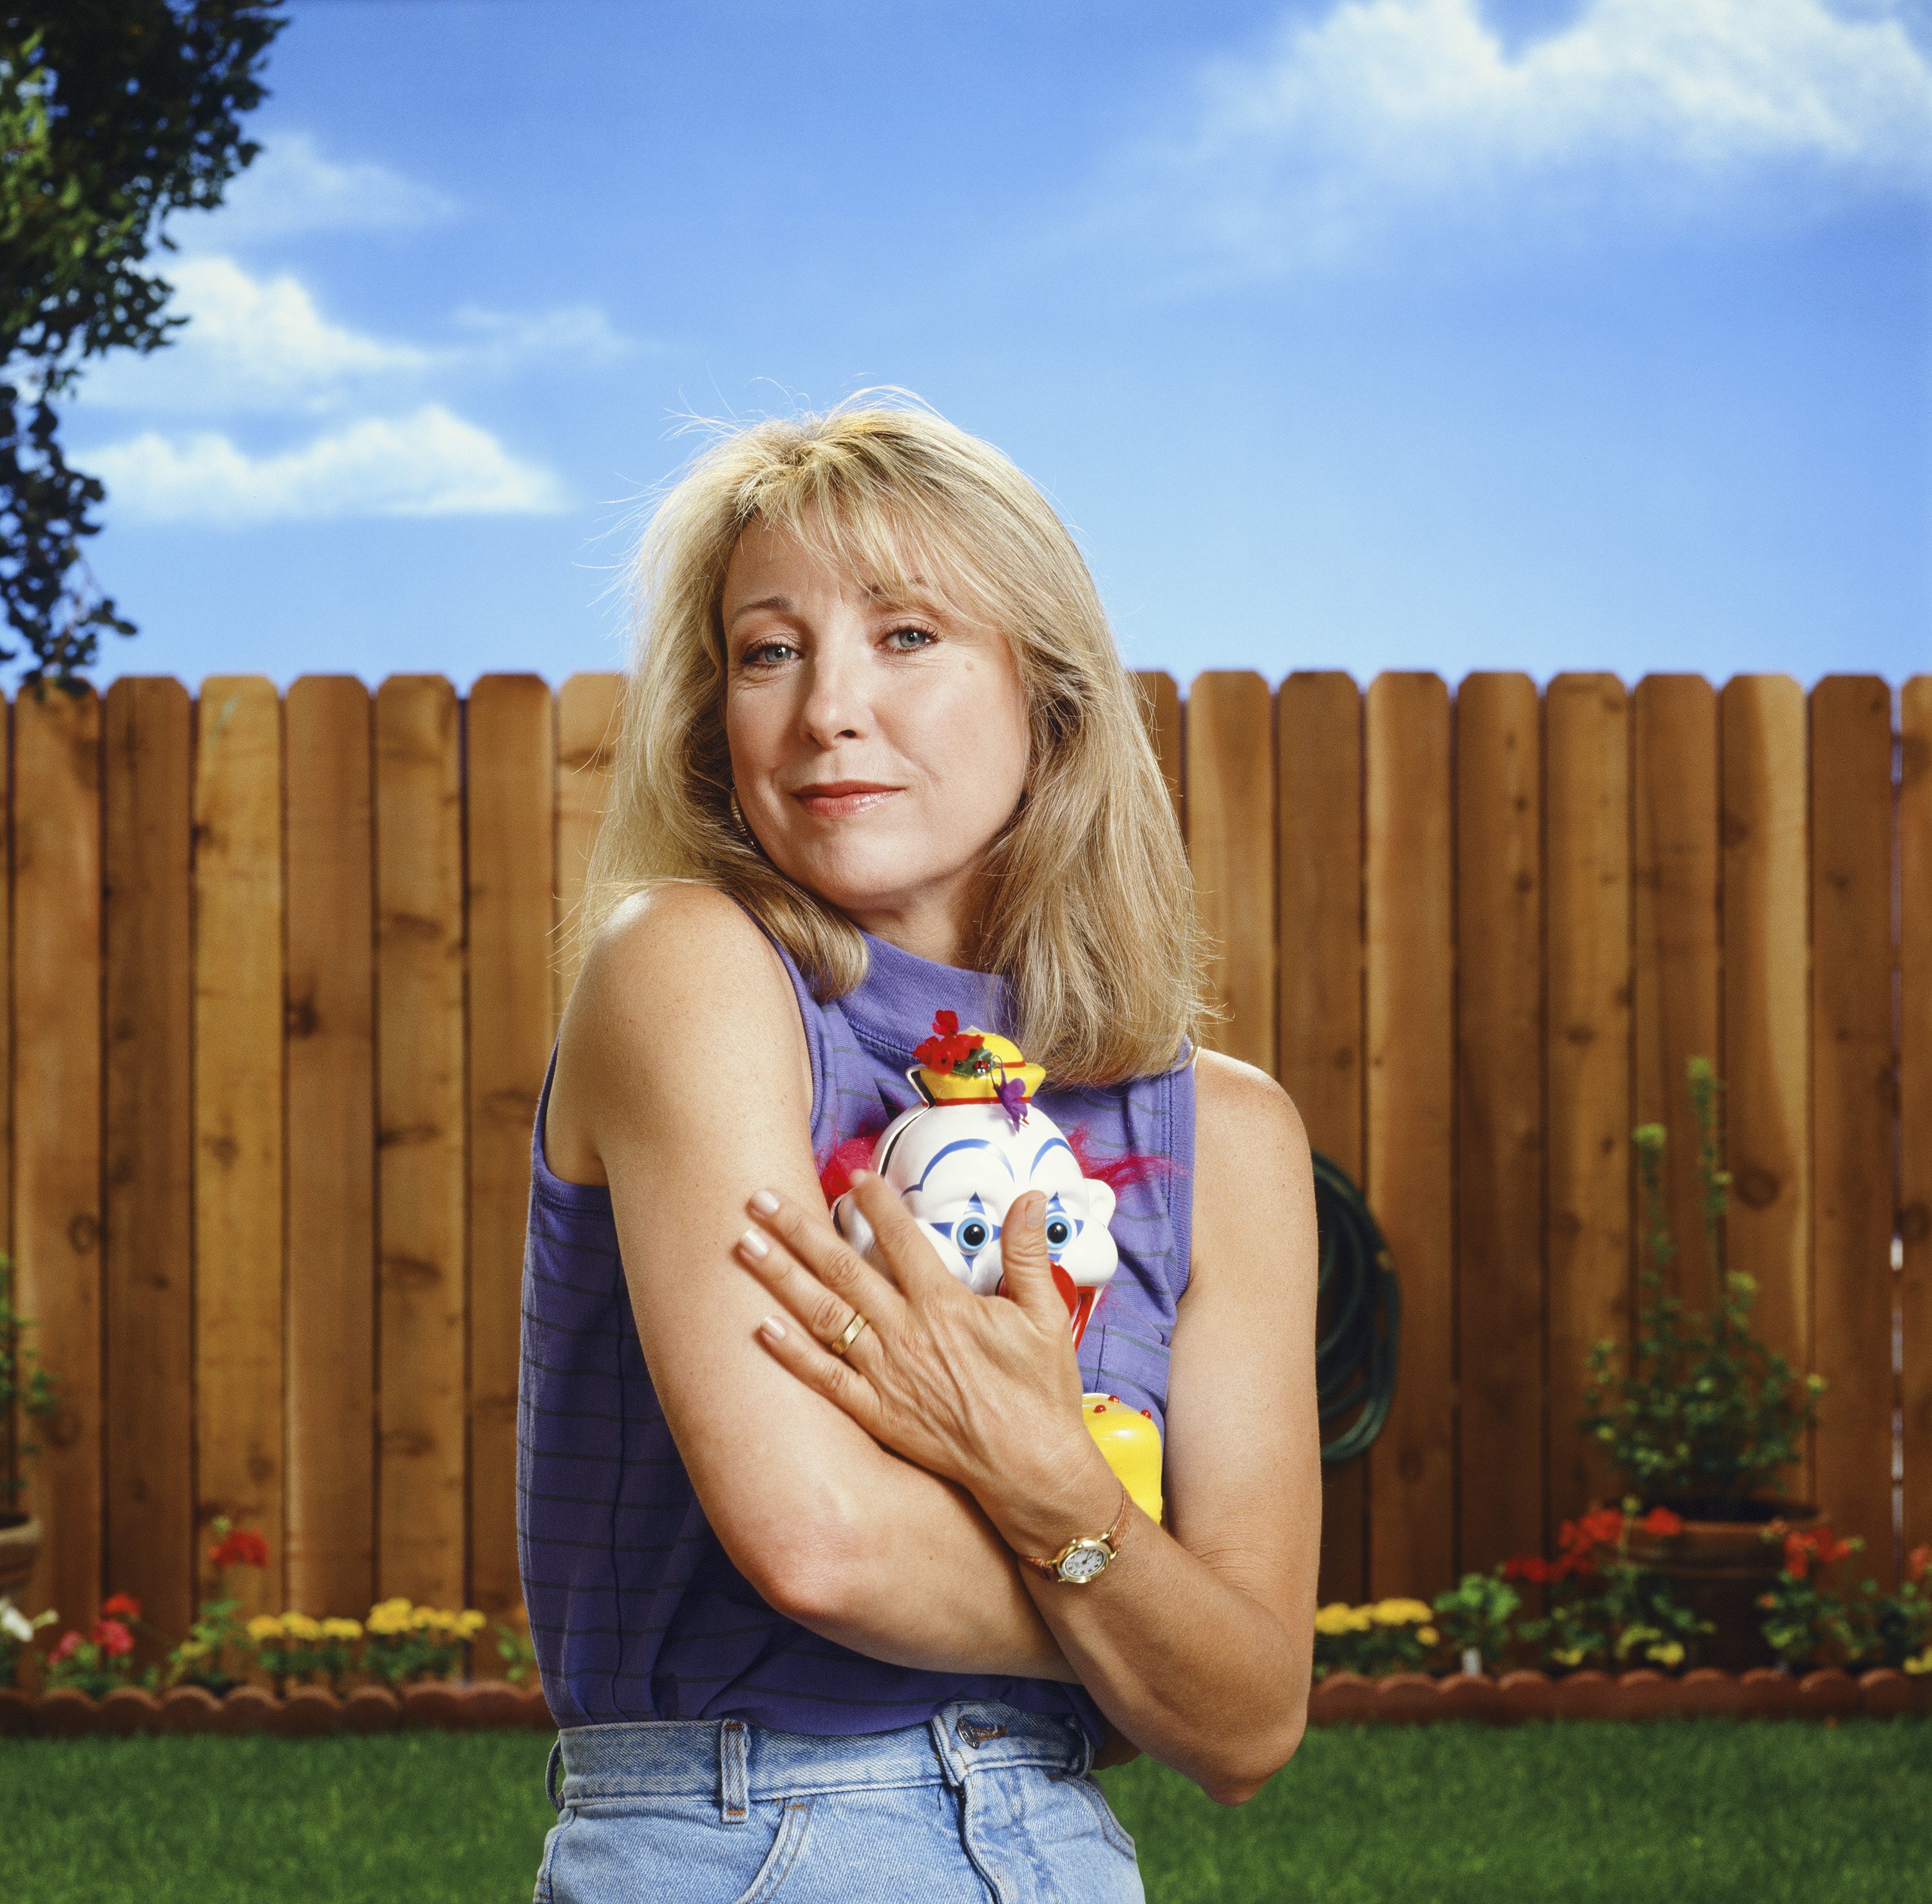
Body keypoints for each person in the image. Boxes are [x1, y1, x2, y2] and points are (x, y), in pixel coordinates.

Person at [520, 396, 1320, 1904]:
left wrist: (1045, 1488)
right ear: (714, 712)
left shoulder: (1230, 1134)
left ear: (1052, 694)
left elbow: (1253, 1724)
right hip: (745, 1836)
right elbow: (818, 1540)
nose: (827, 706)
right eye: (770, 648)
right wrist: (1124, 1575)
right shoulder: (688, 969)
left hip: (1070, 1846)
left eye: (905, 635)